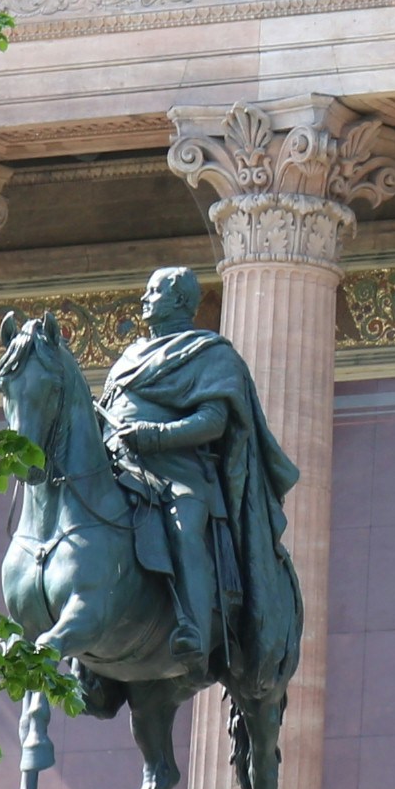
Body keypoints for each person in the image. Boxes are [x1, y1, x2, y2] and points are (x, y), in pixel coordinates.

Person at [100, 264, 297, 681]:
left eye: (153, 292)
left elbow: (213, 421)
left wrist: (154, 437)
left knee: (185, 523)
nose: (144, 300)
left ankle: (192, 624)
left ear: (180, 301)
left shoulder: (209, 353)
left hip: (179, 474)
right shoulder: (127, 358)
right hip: (123, 467)